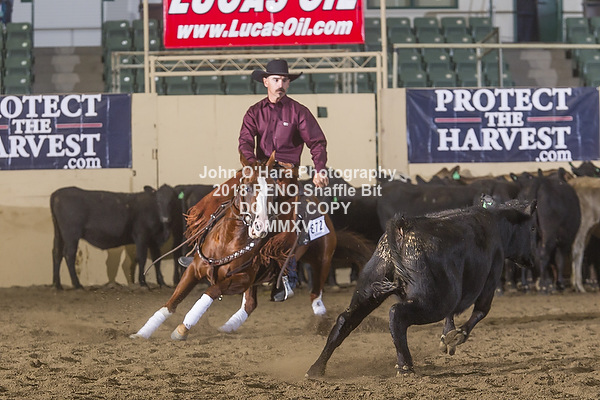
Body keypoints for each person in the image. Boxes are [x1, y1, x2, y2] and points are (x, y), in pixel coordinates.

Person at [238, 59, 330, 301]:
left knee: (300, 215)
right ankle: (208, 252)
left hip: (286, 175)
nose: (280, 84)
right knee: (231, 201)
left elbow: (317, 143)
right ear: (265, 82)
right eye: (276, 79)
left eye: (284, 80)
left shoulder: (299, 112)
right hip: (259, 172)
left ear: (288, 83)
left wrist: (320, 169)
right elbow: (245, 141)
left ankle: (289, 269)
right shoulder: (254, 112)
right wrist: (253, 165)